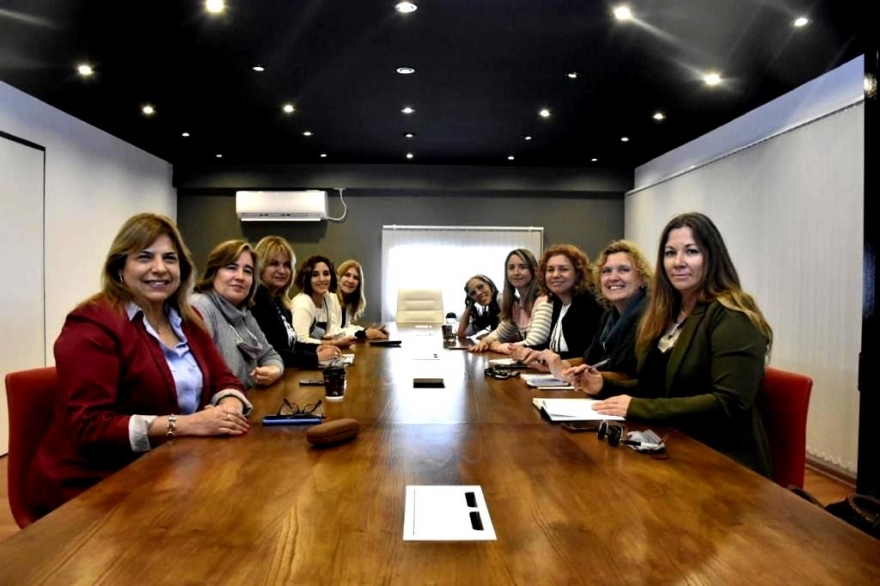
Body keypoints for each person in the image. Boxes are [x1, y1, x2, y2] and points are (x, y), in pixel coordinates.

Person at [26, 213, 251, 518]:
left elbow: (224, 378)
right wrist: (186, 425)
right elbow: (90, 426)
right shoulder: (92, 323)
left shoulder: (188, 321)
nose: (159, 268)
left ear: (181, 269)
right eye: (145, 257)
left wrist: (229, 408)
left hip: (167, 471)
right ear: (120, 267)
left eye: (169, 258)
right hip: (92, 488)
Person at [565, 213, 773, 476]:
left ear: (712, 257)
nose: (679, 262)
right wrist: (604, 385)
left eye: (692, 251)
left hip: (721, 461)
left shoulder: (732, 313)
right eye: (670, 253)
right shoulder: (668, 314)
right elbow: (657, 387)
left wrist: (638, 407)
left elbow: (728, 403)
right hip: (669, 444)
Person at [537, 240, 653, 379]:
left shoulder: (650, 318)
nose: (613, 277)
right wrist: (562, 365)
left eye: (624, 270)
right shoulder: (608, 317)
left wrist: (579, 376)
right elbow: (589, 360)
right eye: (606, 271)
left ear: (642, 277)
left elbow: (633, 376)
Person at [191, 240, 285, 388]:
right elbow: (201, 376)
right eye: (231, 268)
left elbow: (270, 355)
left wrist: (274, 370)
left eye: (247, 271)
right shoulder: (200, 307)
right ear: (213, 272)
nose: (240, 277)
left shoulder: (244, 312)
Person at [251, 236, 339, 367]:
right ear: (260, 266)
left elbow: (291, 344)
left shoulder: (280, 302)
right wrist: (315, 357)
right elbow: (273, 353)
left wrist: (315, 349)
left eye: (286, 265)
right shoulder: (259, 300)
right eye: (274, 264)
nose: (282, 270)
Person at [512, 244, 603, 361]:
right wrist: (527, 349)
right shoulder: (558, 303)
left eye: (563, 269)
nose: (555, 275)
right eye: (550, 270)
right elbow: (553, 348)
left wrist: (541, 356)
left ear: (578, 273)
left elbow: (586, 355)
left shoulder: (589, 305)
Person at [470, 249, 551, 354]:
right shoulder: (517, 307)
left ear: (533, 271)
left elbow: (533, 343)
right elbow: (499, 333)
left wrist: (499, 347)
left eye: (522, 267)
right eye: (511, 268)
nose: (516, 272)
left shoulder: (544, 301)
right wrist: (486, 341)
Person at [291, 255, 356, 347]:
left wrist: (329, 339)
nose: (322, 279)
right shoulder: (302, 304)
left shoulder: (327, 298)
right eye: (315, 275)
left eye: (326, 274)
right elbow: (300, 341)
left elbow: (329, 333)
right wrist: (334, 343)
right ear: (307, 278)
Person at [336, 259, 389, 340]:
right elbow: (333, 332)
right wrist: (364, 334)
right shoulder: (331, 298)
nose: (351, 280)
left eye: (356, 278)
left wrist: (367, 331)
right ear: (338, 277)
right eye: (347, 275)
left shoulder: (347, 301)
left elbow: (346, 326)